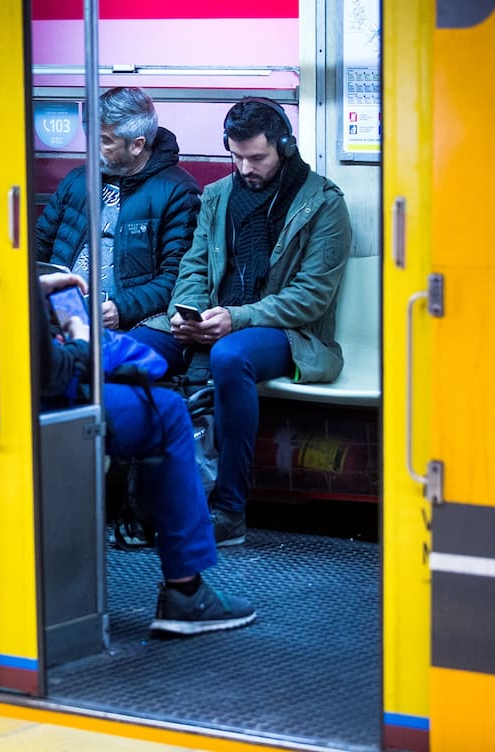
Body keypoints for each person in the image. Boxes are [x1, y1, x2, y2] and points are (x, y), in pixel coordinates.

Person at [138, 97, 352, 546]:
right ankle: (141, 494)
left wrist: (235, 319)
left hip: (286, 332)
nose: (246, 168)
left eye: (257, 157)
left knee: (231, 356)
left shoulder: (324, 204)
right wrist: (186, 312)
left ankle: (230, 509)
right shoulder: (216, 195)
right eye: (236, 157)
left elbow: (310, 297)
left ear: (285, 148)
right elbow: (192, 268)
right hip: (214, 319)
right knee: (137, 348)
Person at [39, 271, 255, 635]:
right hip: (34, 399)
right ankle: (185, 591)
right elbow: (52, 374)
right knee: (167, 412)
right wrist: (81, 339)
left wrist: (36, 287)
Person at [36, 87, 200, 331]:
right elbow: (38, 245)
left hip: (125, 321)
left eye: (105, 141)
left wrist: (122, 308)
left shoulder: (177, 191)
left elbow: (176, 278)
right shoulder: (78, 180)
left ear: (137, 145)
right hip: (62, 308)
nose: (93, 148)